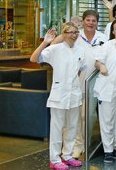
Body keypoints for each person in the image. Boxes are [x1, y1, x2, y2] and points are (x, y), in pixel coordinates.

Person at [30, 24, 85, 170]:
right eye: (70, 32)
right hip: (59, 95)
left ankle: (67, 155)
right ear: (64, 34)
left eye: (76, 32)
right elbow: (33, 59)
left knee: (73, 126)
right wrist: (45, 42)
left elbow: (80, 70)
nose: (73, 35)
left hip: (74, 95)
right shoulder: (55, 49)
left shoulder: (80, 50)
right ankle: (54, 159)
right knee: (57, 128)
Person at [71, 10, 107, 158]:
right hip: (76, 82)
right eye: (88, 20)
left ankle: (84, 142)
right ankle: (76, 145)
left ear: (97, 22)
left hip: (94, 83)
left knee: (89, 115)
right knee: (75, 115)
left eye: (93, 20)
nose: (90, 23)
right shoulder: (76, 36)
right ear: (83, 21)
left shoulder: (103, 38)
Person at [94, 19, 116, 163]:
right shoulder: (107, 45)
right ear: (113, 31)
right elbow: (97, 61)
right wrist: (101, 66)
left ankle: (114, 148)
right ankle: (107, 150)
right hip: (107, 88)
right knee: (107, 120)